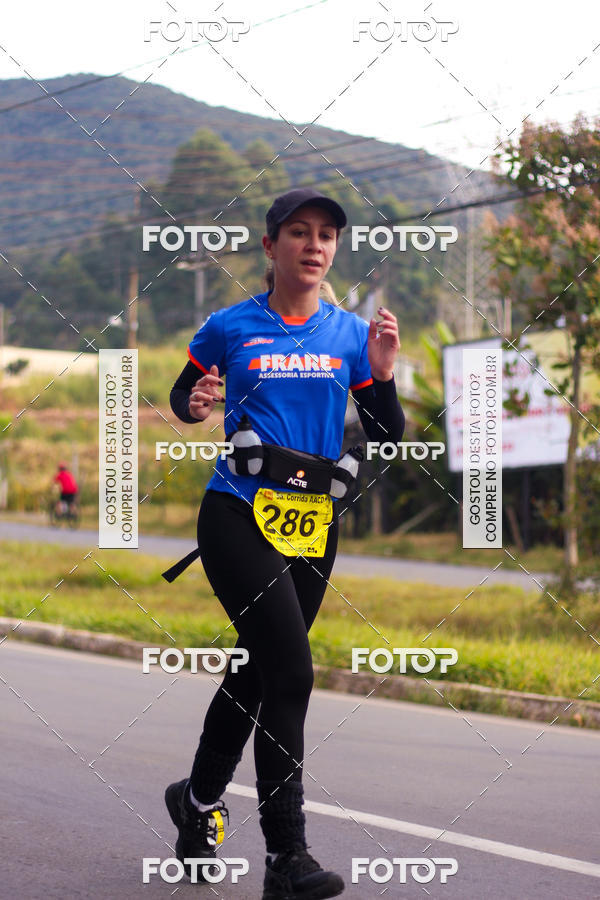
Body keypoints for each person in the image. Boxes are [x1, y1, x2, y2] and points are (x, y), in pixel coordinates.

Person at [165, 187, 405, 899]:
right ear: (271, 246)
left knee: (256, 671)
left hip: (311, 524)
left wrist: (384, 376)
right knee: (291, 674)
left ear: (335, 250)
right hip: (237, 514)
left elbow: (387, 434)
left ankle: (196, 803)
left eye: (326, 234)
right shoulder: (230, 325)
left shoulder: (351, 334)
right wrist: (197, 402)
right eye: (298, 232)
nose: (314, 244)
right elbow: (185, 396)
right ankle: (286, 858)